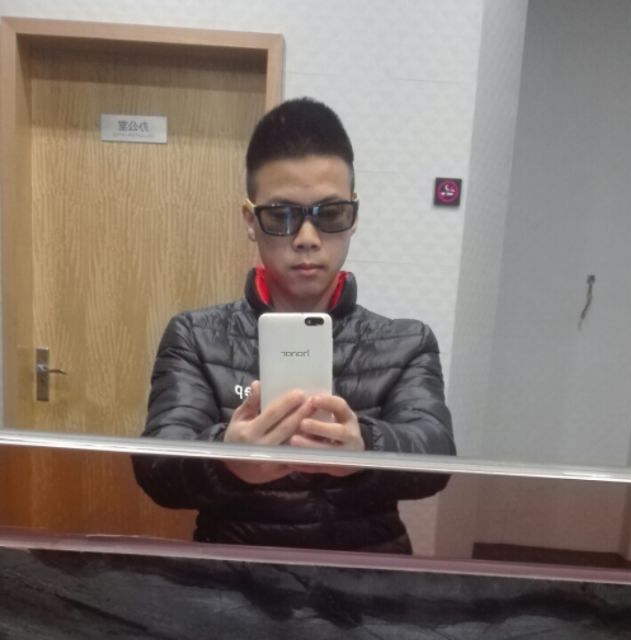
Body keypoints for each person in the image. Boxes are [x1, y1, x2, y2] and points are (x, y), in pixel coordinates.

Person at [133, 97, 455, 553]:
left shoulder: (405, 342)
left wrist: (366, 448)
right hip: (235, 580)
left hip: (364, 581)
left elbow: (436, 457)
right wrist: (227, 459)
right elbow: (155, 470)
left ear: (354, 216)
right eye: (281, 216)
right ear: (251, 221)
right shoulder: (195, 337)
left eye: (330, 214)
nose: (307, 238)